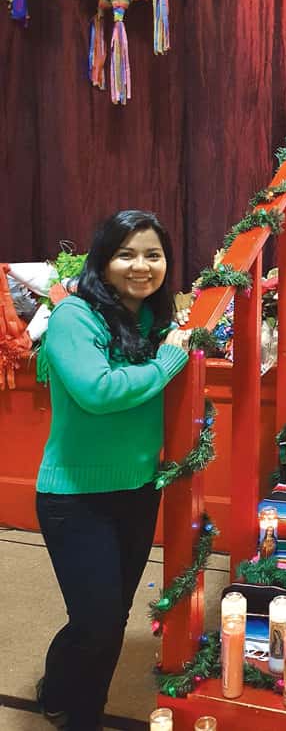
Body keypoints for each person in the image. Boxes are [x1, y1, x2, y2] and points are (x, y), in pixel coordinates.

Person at [34, 210, 191, 731]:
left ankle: (65, 696)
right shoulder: (73, 317)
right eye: (127, 254)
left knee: (109, 619)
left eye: (153, 254)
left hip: (138, 490)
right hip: (74, 498)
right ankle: (79, 714)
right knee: (98, 624)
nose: (141, 266)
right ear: (102, 261)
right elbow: (97, 392)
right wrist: (167, 363)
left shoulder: (153, 321)